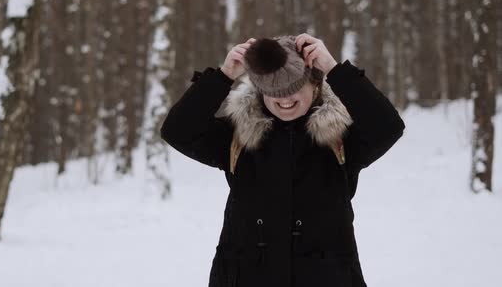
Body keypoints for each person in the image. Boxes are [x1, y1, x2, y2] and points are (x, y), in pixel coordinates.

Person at [160, 33, 405, 287]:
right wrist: (223, 76)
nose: (285, 99)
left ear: (315, 84)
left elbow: (388, 127)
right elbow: (178, 131)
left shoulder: (338, 135)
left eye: (295, 87)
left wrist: (335, 69)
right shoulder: (239, 135)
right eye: (275, 90)